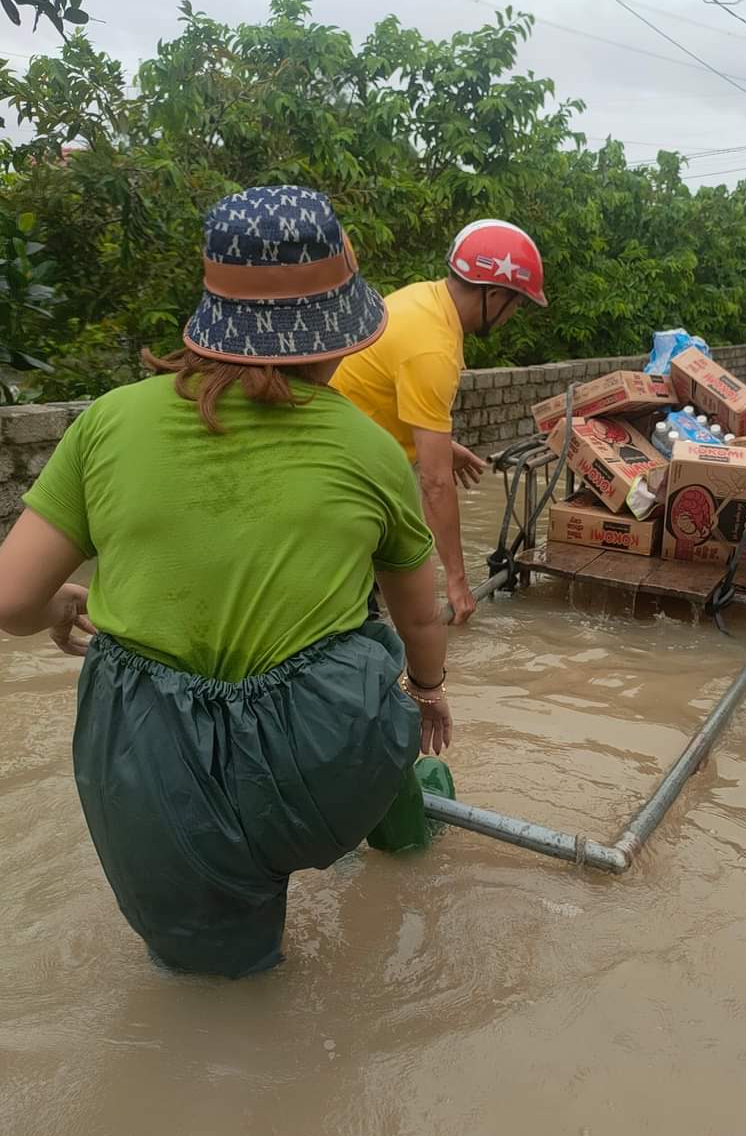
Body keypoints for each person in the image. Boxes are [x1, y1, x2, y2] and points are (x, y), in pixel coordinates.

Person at [0, 185, 453, 979]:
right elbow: (421, 620)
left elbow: (9, 601)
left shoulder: (107, 422)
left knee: (219, 992)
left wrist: (56, 607)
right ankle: (398, 822)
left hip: (151, 771)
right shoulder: (369, 449)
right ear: (336, 334)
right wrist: (429, 692)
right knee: (369, 645)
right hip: (323, 762)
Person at [331, 219, 548, 624]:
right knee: (357, 618)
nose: (512, 315)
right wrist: (458, 581)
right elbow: (433, 482)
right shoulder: (433, 347)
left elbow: (376, 394)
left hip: (341, 451)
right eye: (516, 304)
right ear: (495, 295)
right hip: (340, 478)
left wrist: (444, 446)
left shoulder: (422, 300)